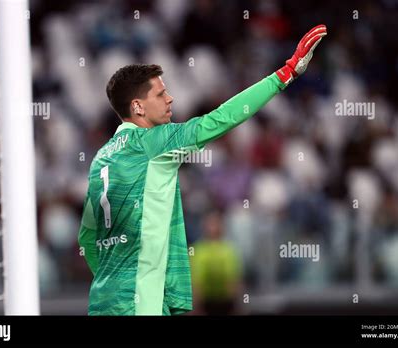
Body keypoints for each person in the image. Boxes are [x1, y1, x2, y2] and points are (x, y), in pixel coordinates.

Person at [78, 24, 327, 315]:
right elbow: (220, 119)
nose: (169, 98)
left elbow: (87, 238)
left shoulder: (100, 160)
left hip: (103, 303)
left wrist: (115, 280)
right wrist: (284, 75)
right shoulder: (154, 142)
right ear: (138, 107)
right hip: (141, 304)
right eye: (160, 94)